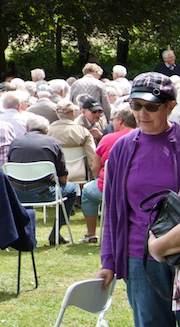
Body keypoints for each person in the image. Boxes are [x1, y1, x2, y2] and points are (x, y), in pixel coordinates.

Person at [98, 72, 180, 325]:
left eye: (151, 107)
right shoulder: (122, 147)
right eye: (136, 105)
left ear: (170, 107)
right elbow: (112, 210)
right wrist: (108, 261)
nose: (142, 113)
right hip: (139, 257)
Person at [7, 116, 78, 245]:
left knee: (26, 187)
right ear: (46, 130)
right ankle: (56, 232)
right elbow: (63, 178)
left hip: (17, 193)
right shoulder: (53, 143)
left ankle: (27, 235)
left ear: (27, 128)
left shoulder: (15, 142)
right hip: (43, 192)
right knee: (72, 189)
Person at [80, 104, 136, 244]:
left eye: (113, 120)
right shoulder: (143, 137)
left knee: (87, 192)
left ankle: (91, 234)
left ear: (120, 120)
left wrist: (98, 177)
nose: (112, 123)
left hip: (109, 188)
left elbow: (95, 167)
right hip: (135, 188)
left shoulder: (108, 138)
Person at [47, 98, 96, 182]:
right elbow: (92, 157)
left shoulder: (48, 132)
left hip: (56, 177)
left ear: (57, 113)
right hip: (80, 176)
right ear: (73, 113)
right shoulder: (83, 132)